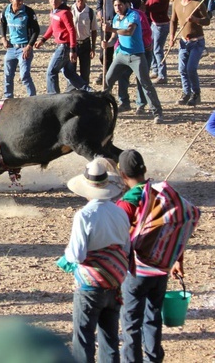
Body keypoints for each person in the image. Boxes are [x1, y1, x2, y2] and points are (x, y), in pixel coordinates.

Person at [115, 150, 185, 363]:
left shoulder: (126, 204)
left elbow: (119, 239)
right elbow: (176, 228)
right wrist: (177, 260)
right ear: (144, 169)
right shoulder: (161, 194)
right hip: (161, 266)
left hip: (135, 270)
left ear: (121, 173)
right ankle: (153, 359)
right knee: (153, 318)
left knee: (131, 322)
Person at [58, 158, 130, 363]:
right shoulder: (120, 212)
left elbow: (77, 255)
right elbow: (126, 248)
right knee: (110, 339)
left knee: (84, 338)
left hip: (91, 285)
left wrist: (66, 257)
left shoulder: (84, 215)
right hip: (115, 281)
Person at [103, 0, 164, 123]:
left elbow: (129, 32)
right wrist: (107, 44)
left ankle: (157, 112)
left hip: (137, 56)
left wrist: (111, 29)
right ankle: (104, 109)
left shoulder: (133, 15)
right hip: (122, 55)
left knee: (145, 83)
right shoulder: (116, 19)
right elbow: (114, 39)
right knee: (107, 80)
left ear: (126, 4)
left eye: (120, 5)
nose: (117, 8)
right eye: (115, 5)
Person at [34, 0, 92, 94]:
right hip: (63, 46)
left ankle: (53, 96)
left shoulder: (65, 13)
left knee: (51, 72)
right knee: (69, 72)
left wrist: (72, 49)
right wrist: (43, 40)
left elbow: (71, 31)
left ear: (61, 0)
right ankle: (89, 91)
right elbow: (52, 27)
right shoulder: (54, 12)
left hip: (65, 47)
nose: (54, 1)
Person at [171, 0, 209, 107]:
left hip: (197, 42)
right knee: (182, 69)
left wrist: (196, 20)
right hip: (183, 42)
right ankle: (186, 93)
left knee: (191, 68)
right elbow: (173, 21)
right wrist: (172, 37)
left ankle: (196, 94)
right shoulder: (176, 3)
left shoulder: (197, 4)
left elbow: (207, 20)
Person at [0, 0, 39, 98]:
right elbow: (2, 23)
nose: (21, 2)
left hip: (24, 48)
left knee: (24, 76)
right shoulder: (6, 11)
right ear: (11, 0)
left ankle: (33, 99)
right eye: (18, 0)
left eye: (22, 0)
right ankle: (8, 98)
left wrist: (29, 46)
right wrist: (3, 38)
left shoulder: (28, 12)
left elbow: (36, 30)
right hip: (11, 48)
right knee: (8, 75)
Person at [147, 0, 170, 84]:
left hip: (162, 23)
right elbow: (149, 2)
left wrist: (148, 8)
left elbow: (161, 5)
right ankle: (155, 69)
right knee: (151, 47)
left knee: (157, 49)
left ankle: (162, 74)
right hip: (153, 23)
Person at [71, 0, 97, 86]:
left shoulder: (90, 12)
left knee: (85, 72)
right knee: (71, 71)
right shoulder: (70, 11)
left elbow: (94, 30)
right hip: (73, 45)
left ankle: (85, 94)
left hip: (85, 44)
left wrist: (93, 47)